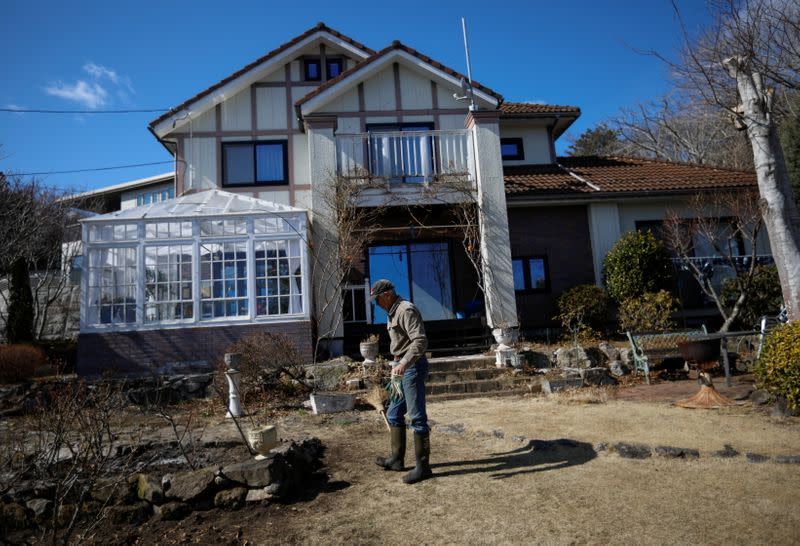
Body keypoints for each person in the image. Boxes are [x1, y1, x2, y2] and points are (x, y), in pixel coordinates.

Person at [371, 279, 432, 484]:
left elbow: (420, 341)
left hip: (412, 367)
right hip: (401, 368)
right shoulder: (392, 312)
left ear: (387, 295)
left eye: (377, 299)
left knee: (417, 417)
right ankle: (397, 460)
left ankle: (423, 468)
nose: (376, 303)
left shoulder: (406, 310)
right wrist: (396, 365)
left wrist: (404, 363)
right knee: (394, 413)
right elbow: (400, 344)